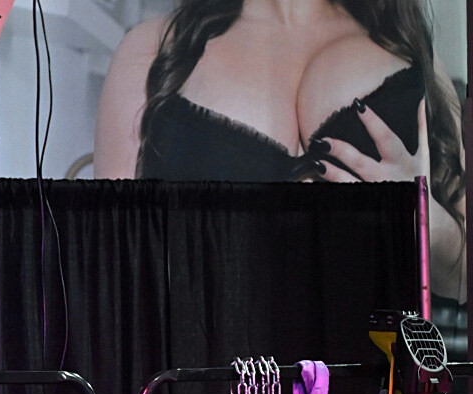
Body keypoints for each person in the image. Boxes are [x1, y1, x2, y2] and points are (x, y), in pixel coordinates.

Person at [94, 0, 465, 299]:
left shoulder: (414, 57)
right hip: (205, 362)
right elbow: (111, 273)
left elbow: (463, 279)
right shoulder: (154, 52)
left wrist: (428, 224)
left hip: (373, 368)